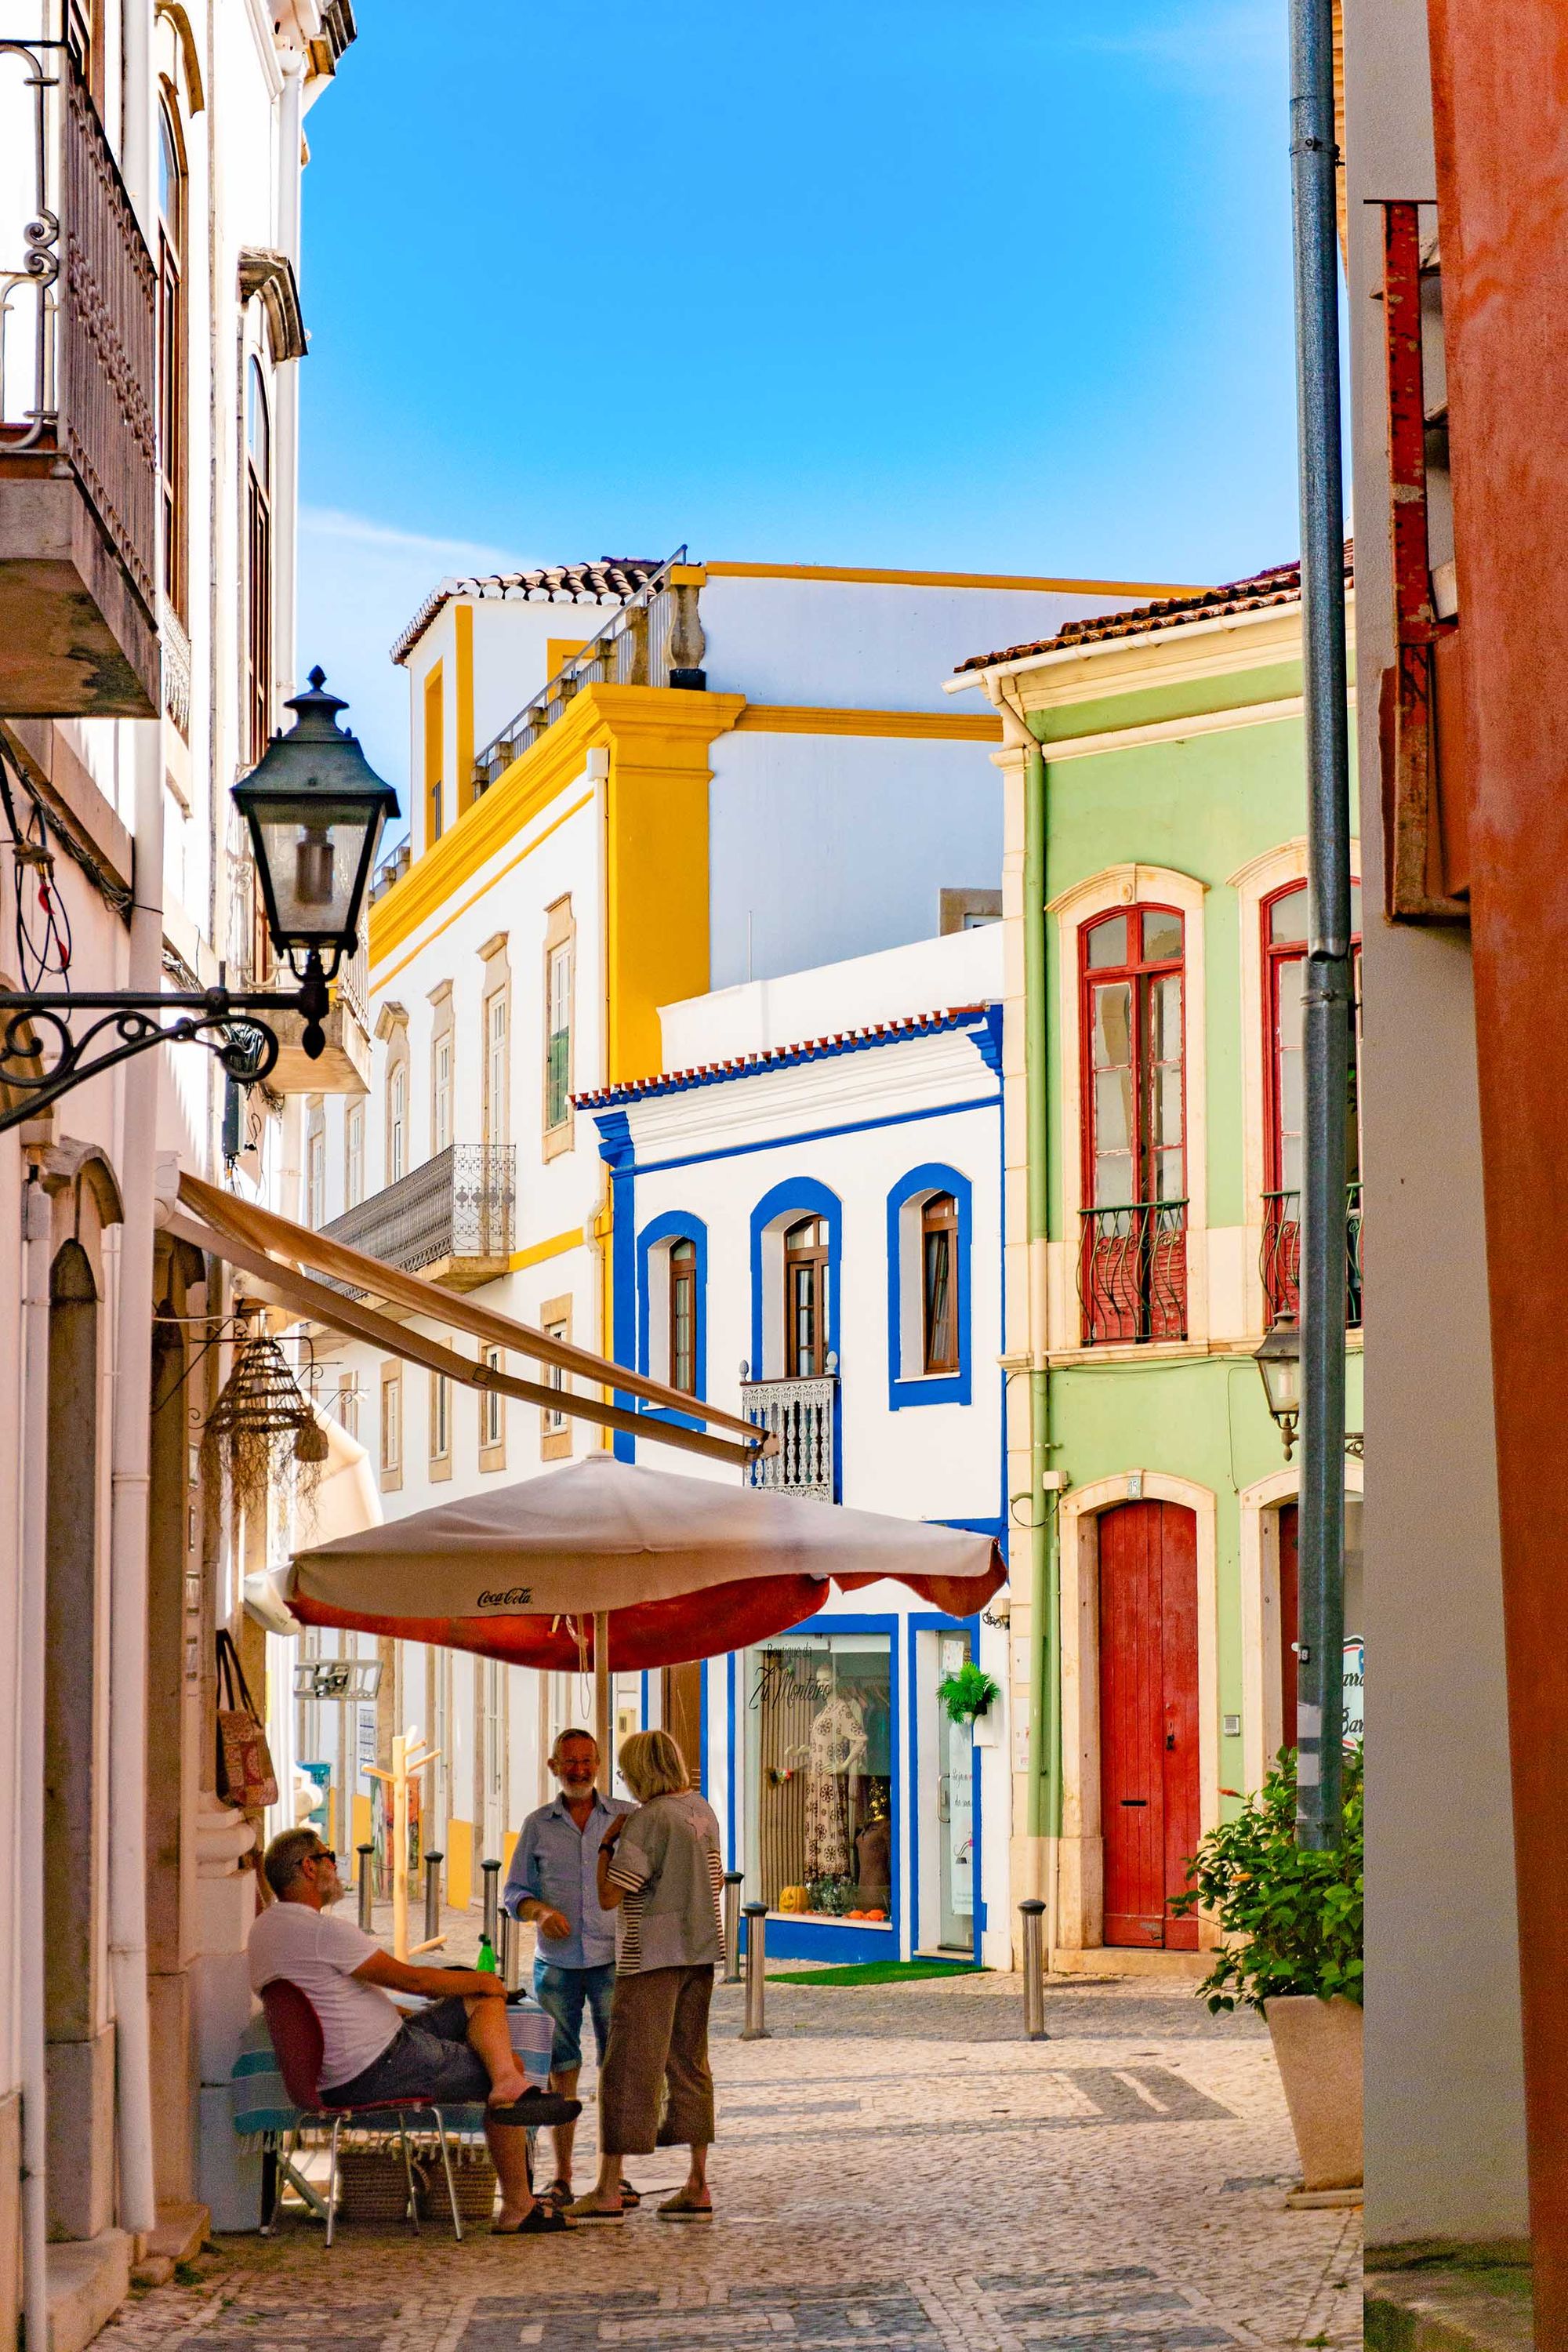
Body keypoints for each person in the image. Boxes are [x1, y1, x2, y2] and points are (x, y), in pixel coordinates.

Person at [248, 1826, 579, 2235]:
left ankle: (507, 2084)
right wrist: (485, 1979)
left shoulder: (263, 1930)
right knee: (503, 2055)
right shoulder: (322, 1932)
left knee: (480, 2000)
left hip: (364, 2057)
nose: (335, 1864)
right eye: (328, 1855)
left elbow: (329, 1996)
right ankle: (517, 2204)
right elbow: (414, 1981)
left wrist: (477, 1986)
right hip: (378, 2065)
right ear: (309, 1867)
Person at [566, 1729, 724, 2225]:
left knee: (627, 2068)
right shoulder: (701, 1810)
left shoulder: (647, 1820)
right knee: (690, 2065)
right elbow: (716, 1878)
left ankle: (609, 2186)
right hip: (700, 1951)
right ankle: (697, 2182)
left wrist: (607, 1846)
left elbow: (612, 1895)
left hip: (650, 1955)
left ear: (639, 1771)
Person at [503, 1729, 636, 2212]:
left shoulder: (626, 1818)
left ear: (599, 1764)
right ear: (553, 1766)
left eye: (588, 1761)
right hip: (556, 1966)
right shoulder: (538, 1825)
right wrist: (539, 1912)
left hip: (614, 1961)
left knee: (616, 2067)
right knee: (561, 2070)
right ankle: (562, 2175)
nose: (580, 1770)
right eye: (570, 1762)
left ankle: (613, 2176)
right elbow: (514, 1891)